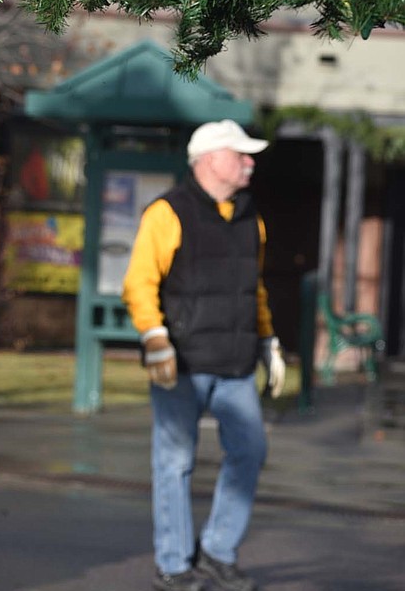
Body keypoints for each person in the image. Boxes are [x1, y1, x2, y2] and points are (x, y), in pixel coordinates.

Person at [121, 119, 287, 591]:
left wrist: (268, 341)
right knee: (174, 463)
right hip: (182, 364)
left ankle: (217, 551)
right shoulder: (167, 213)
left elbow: (252, 288)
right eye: (242, 154)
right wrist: (155, 338)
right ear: (212, 158)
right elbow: (139, 282)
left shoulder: (250, 215)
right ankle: (173, 565)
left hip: (235, 364)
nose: (250, 162)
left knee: (250, 452)